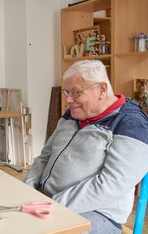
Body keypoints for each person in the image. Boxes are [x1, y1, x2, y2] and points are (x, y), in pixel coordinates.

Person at [24, 60, 148, 233]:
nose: (68, 100)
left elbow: (111, 185)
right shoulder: (73, 114)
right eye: (67, 92)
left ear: (102, 90)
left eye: (76, 92)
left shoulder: (132, 124)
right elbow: (45, 155)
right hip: (48, 200)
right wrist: (28, 189)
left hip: (97, 213)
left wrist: (54, 204)